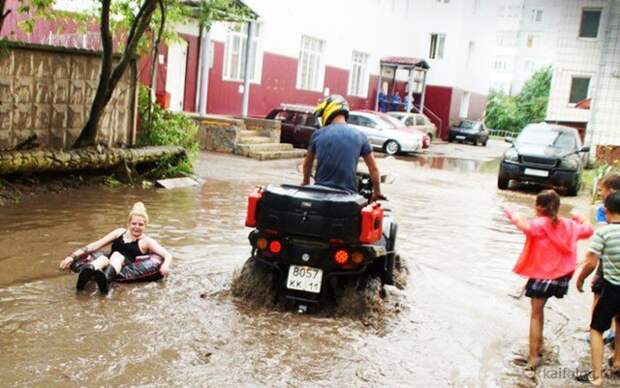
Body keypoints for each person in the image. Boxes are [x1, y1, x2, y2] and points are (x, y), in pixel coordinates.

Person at [504, 190, 593, 370]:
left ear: (538, 207)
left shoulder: (538, 224)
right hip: (561, 279)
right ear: (557, 207)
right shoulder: (570, 225)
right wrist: (581, 218)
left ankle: (533, 356)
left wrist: (511, 212)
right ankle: (540, 345)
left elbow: (523, 226)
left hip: (541, 279)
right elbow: (589, 231)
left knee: (535, 315)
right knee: (541, 311)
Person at [59, 202, 172, 294]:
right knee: (102, 259)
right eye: (134, 223)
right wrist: (72, 257)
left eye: (140, 224)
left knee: (117, 256)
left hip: (125, 264)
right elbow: (96, 245)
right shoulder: (119, 232)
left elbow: (167, 255)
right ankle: (85, 276)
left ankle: (105, 282)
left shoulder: (147, 241)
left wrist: (165, 265)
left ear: (145, 226)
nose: (137, 227)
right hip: (108, 260)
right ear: (128, 223)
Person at [302, 94, 383, 202]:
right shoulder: (360, 136)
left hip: (319, 194)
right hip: (347, 198)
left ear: (329, 110)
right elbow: (374, 169)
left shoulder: (318, 134)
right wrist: (377, 192)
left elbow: (307, 165)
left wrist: (306, 182)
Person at [576, 191, 620, 386]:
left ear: (606, 210)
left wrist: (580, 279)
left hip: (611, 289)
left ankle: (597, 376)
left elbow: (592, 263)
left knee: (596, 329)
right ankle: (618, 363)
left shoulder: (603, 232)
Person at [591, 174, 620, 345]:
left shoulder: (604, 210)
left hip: (607, 258)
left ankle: (598, 331)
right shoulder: (603, 208)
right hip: (609, 256)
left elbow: (602, 233)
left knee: (600, 292)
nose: (600, 193)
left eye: (601, 190)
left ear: (611, 191)